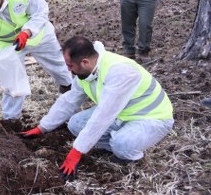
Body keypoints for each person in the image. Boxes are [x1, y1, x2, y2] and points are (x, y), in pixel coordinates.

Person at [20, 36, 174, 181]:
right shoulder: (86, 72)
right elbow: (69, 100)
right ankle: (116, 140)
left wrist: (76, 152)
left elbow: (103, 115)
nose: (68, 70)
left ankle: (127, 151)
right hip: (121, 113)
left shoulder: (120, 72)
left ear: (85, 62)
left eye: (70, 66)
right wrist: (43, 127)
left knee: (122, 145)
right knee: (75, 124)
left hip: (152, 118)